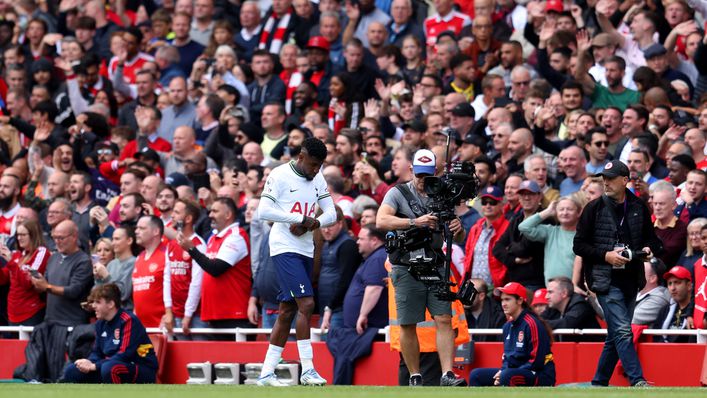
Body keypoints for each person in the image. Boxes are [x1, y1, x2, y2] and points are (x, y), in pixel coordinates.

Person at [377, 148, 467, 387]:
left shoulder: (442, 194)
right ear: (411, 170)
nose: (423, 180)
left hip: (435, 261)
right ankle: (414, 375)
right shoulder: (397, 193)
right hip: (405, 264)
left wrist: (458, 228)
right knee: (408, 322)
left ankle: (447, 374)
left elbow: (457, 238)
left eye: (428, 175)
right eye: (419, 174)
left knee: (444, 318)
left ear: (435, 172)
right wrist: (413, 222)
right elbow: (381, 220)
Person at [255, 137, 337, 386]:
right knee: (307, 303)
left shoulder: (318, 177)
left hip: (306, 248)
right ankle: (308, 369)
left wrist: (313, 223)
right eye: (313, 164)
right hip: (284, 248)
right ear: (301, 157)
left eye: (319, 165)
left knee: (287, 310)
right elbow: (263, 211)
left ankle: (266, 373)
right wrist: (299, 218)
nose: (316, 170)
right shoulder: (279, 175)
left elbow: (332, 212)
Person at [573, 160, 662, 387]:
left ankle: (599, 382)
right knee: (623, 330)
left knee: (615, 335)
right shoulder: (593, 208)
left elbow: (652, 239)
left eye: (611, 178)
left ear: (625, 180)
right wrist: (606, 256)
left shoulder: (639, 206)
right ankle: (637, 380)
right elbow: (578, 246)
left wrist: (649, 249)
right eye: (604, 178)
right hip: (604, 279)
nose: (606, 183)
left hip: (631, 278)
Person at [63, 283, 158, 384]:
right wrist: (89, 362)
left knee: (110, 368)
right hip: (109, 366)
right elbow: (97, 352)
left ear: (111, 304)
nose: (93, 306)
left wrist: (95, 366)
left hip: (140, 368)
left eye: (98, 302)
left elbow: (124, 354)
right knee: (72, 370)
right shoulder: (100, 323)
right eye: (93, 302)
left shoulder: (128, 320)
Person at [468, 282, 556, 387]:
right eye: (502, 300)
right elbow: (507, 358)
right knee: (476, 375)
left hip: (540, 374)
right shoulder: (507, 326)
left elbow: (536, 361)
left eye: (507, 299)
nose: (503, 304)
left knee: (507, 375)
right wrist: (501, 372)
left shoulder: (532, 324)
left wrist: (506, 373)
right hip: (513, 372)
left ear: (519, 301)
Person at [519, 196, 582, 284]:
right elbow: (524, 227)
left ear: (579, 212)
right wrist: (547, 212)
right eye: (561, 209)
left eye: (569, 209)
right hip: (552, 290)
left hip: (574, 289)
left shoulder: (583, 236)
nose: (565, 212)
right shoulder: (551, 231)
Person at [0, 220, 50, 326]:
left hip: (32, 312)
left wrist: (12, 262)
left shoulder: (41, 252)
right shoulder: (17, 255)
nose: (19, 238)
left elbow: (28, 282)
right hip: (12, 313)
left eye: (23, 234)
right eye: (18, 234)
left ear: (33, 234)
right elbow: (3, 279)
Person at [541, 276, 600, 342]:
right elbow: (538, 319)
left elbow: (566, 324)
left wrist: (541, 323)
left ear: (564, 293)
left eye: (550, 292)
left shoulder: (580, 304)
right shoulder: (553, 306)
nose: (546, 297)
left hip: (591, 350)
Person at [653, 266, 695, 343]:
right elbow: (656, 338)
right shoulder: (665, 310)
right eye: (669, 284)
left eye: (677, 282)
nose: (672, 288)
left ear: (689, 286)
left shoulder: (696, 310)